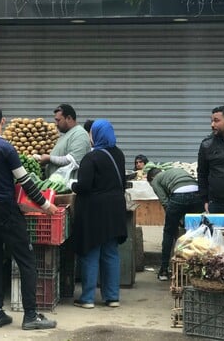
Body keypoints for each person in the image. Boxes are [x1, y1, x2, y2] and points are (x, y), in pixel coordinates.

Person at [0, 103, 58, 331]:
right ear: (3, 121)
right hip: (6, 210)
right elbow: (25, 181)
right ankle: (30, 315)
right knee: (27, 260)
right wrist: (46, 205)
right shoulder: (6, 148)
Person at [71, 119, 127, 309]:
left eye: (92, 133)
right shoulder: (119, 154)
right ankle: (112, 297)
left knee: (91, 251)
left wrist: (71, 185)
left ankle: (87, 298)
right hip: (115, 209)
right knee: (110, 252)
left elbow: (84, 186)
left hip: (95, 211)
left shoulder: (91, 158)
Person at [147, 167, 204, 281]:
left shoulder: (155, 180)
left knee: (168, 232)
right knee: (196, 232)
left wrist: (174, 220)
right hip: (197, 193)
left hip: (179, 195)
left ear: (151, 178)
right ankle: (198, 268)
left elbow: (165, 201)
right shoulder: (172, 172)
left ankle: (164, 270)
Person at [36, 104, 90, 179]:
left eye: (58, 120)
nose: (56, 124)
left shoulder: (80, 134)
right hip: (56, 186)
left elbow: (72, 161)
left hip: (68, 187)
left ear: (69, 118)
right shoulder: (65, 134)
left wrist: (49, 159)